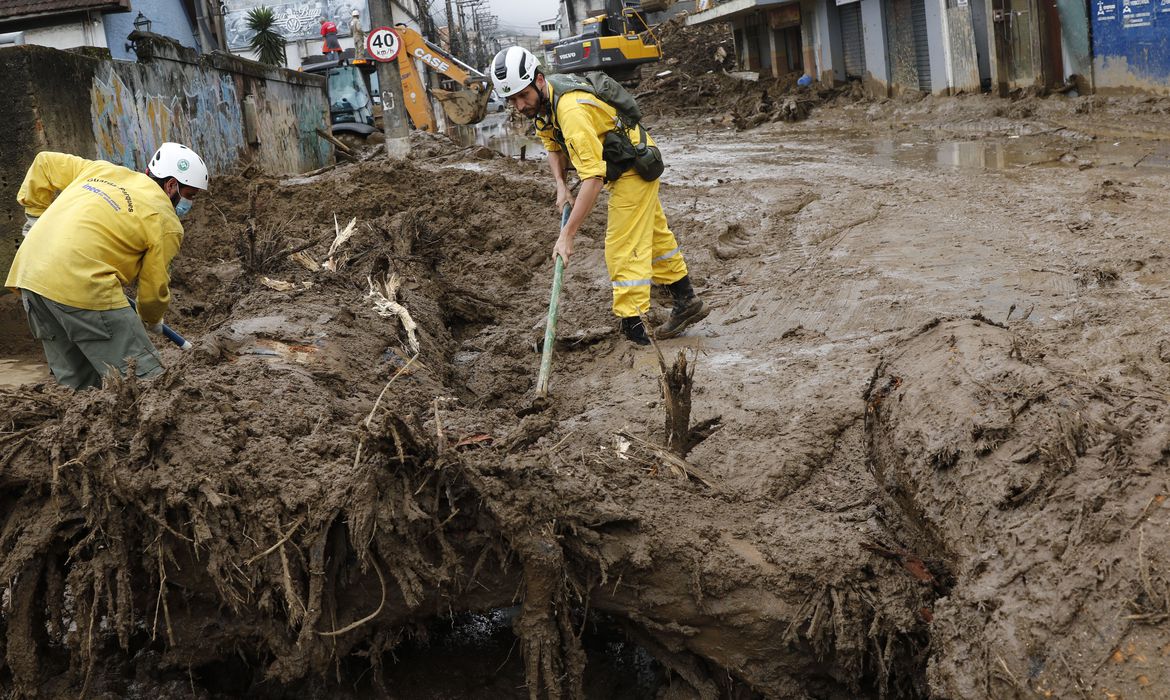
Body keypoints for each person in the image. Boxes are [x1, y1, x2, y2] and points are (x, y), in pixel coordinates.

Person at [490, 46, 708, 345]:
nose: (519, 106)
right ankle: (687, 301)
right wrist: (560, 185)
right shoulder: (543, 105)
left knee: (622, 246)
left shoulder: (570, 110)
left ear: (539, 80)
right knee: (656, 238)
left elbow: (592, 179)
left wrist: (568, 234)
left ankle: (636, 330)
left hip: (633, 165)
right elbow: (553, 146)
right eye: (511, 99)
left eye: (522, 96)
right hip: (619, 162)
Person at [5, 143, 208, 390]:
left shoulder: (101, 171)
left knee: (77, 388)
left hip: (30, 277)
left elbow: (44, 162)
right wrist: (152, 318)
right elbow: (153, 288)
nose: (189, 203)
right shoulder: (166, 221)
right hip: (85, 286)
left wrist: (35, 217)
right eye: (190, 195)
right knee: (148, 385)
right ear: (171, 185)